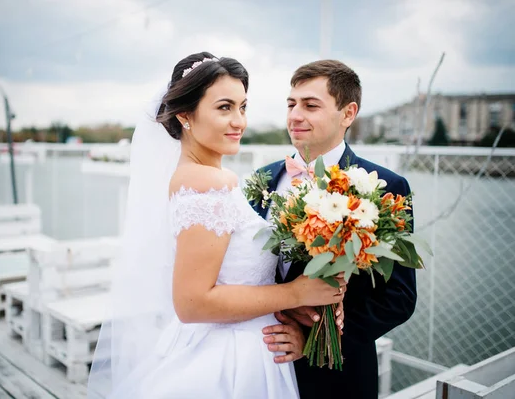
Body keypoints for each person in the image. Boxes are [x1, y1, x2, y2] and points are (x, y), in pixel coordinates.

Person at [87, 52, 347, 398]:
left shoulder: (206, 177)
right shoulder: (207, 182)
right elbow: (192, 302)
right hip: (231, 361)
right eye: (224, 107)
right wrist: (295, 292)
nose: (238, 121)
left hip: (248, 345)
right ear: (185, 115)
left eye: (242, 107)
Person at [253, 59, 418, 399]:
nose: (295, 116)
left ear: (348, 113)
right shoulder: (265, 179)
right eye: (291, 104)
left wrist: (315, 339)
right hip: (259, 362)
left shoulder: (386, 186)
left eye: (311, 105)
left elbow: (398, 299)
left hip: (334, 376)